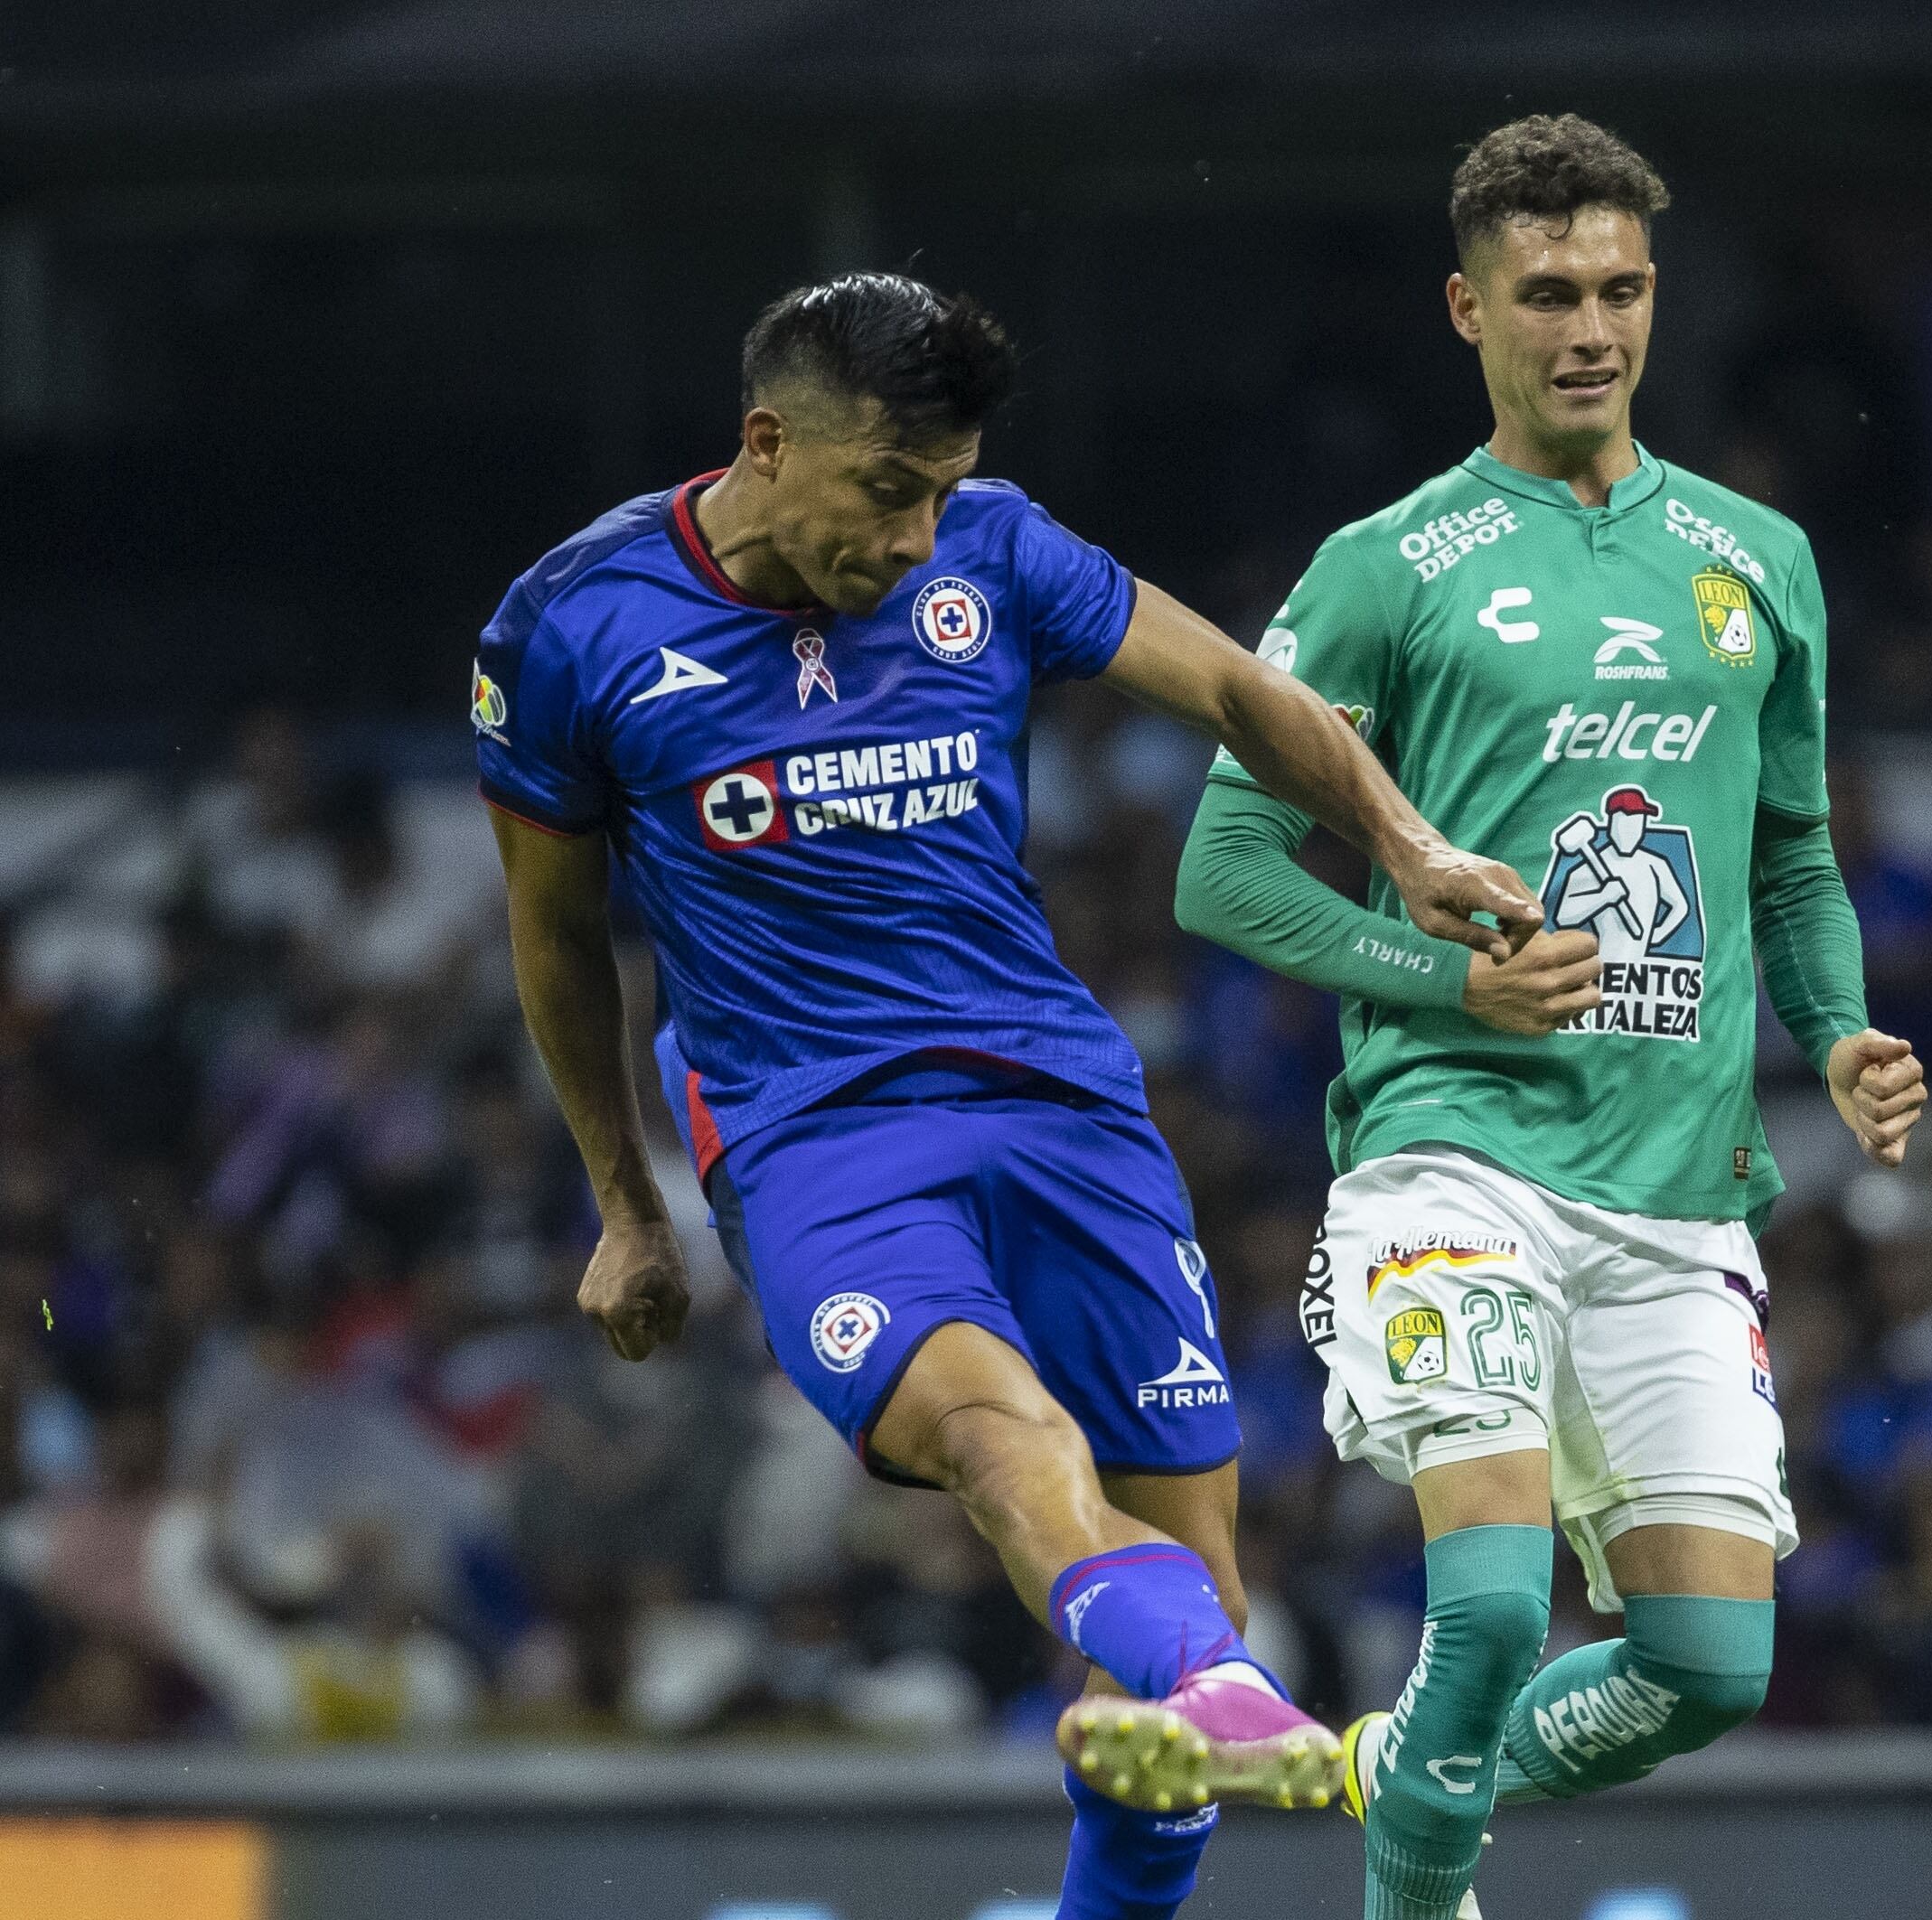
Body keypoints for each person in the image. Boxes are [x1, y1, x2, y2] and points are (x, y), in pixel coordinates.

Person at [479, 273, 1538, 1917]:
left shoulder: (998, 547)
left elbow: (1247, 694)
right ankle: (1221, 1690)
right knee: (998, 1439)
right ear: (768, 444)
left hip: (1062, 1110)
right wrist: (627, 1206)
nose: (911, 541)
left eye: (937, 496)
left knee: (1181, 1606)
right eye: (884, 494)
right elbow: (552, 941)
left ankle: (1192, 1694)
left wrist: (1406, 845)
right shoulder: (573, 627)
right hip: (816, 1140)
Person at [1171, 117, 1925, 1920]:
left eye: (1619, 290)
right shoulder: (1387, 566)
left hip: (1676, 1186)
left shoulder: (1760, 559)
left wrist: (1835, 1030)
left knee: (1706, 1668)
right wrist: (1451, 978)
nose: (1590, 328)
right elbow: (1225, 868)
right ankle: (1419, 1885)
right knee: (1494, 1607)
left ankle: (1401, 1773)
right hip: (1453, 1157)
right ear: (1467, 308)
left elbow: (1795, 856)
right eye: (1547, 294)